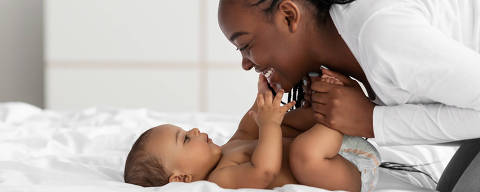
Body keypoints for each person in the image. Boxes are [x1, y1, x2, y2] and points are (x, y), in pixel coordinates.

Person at [217, 0, 480, 191]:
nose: (246, 64)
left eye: (245, 45)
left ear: (288, 15)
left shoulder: (383, 35)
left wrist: (372, 120)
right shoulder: (358, 44)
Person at [123, 74, 381, 192]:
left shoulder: (226, 149)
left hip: (336, 150)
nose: (194, 129)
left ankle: (327, 106)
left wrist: (264, 97)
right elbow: (264, 172)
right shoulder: (221, 179)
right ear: (182, 179)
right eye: (186, 138)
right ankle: (339, 109)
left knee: (283, 122)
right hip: (349, 171)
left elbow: (250, 125)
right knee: (300, 151)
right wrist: (268, 126)